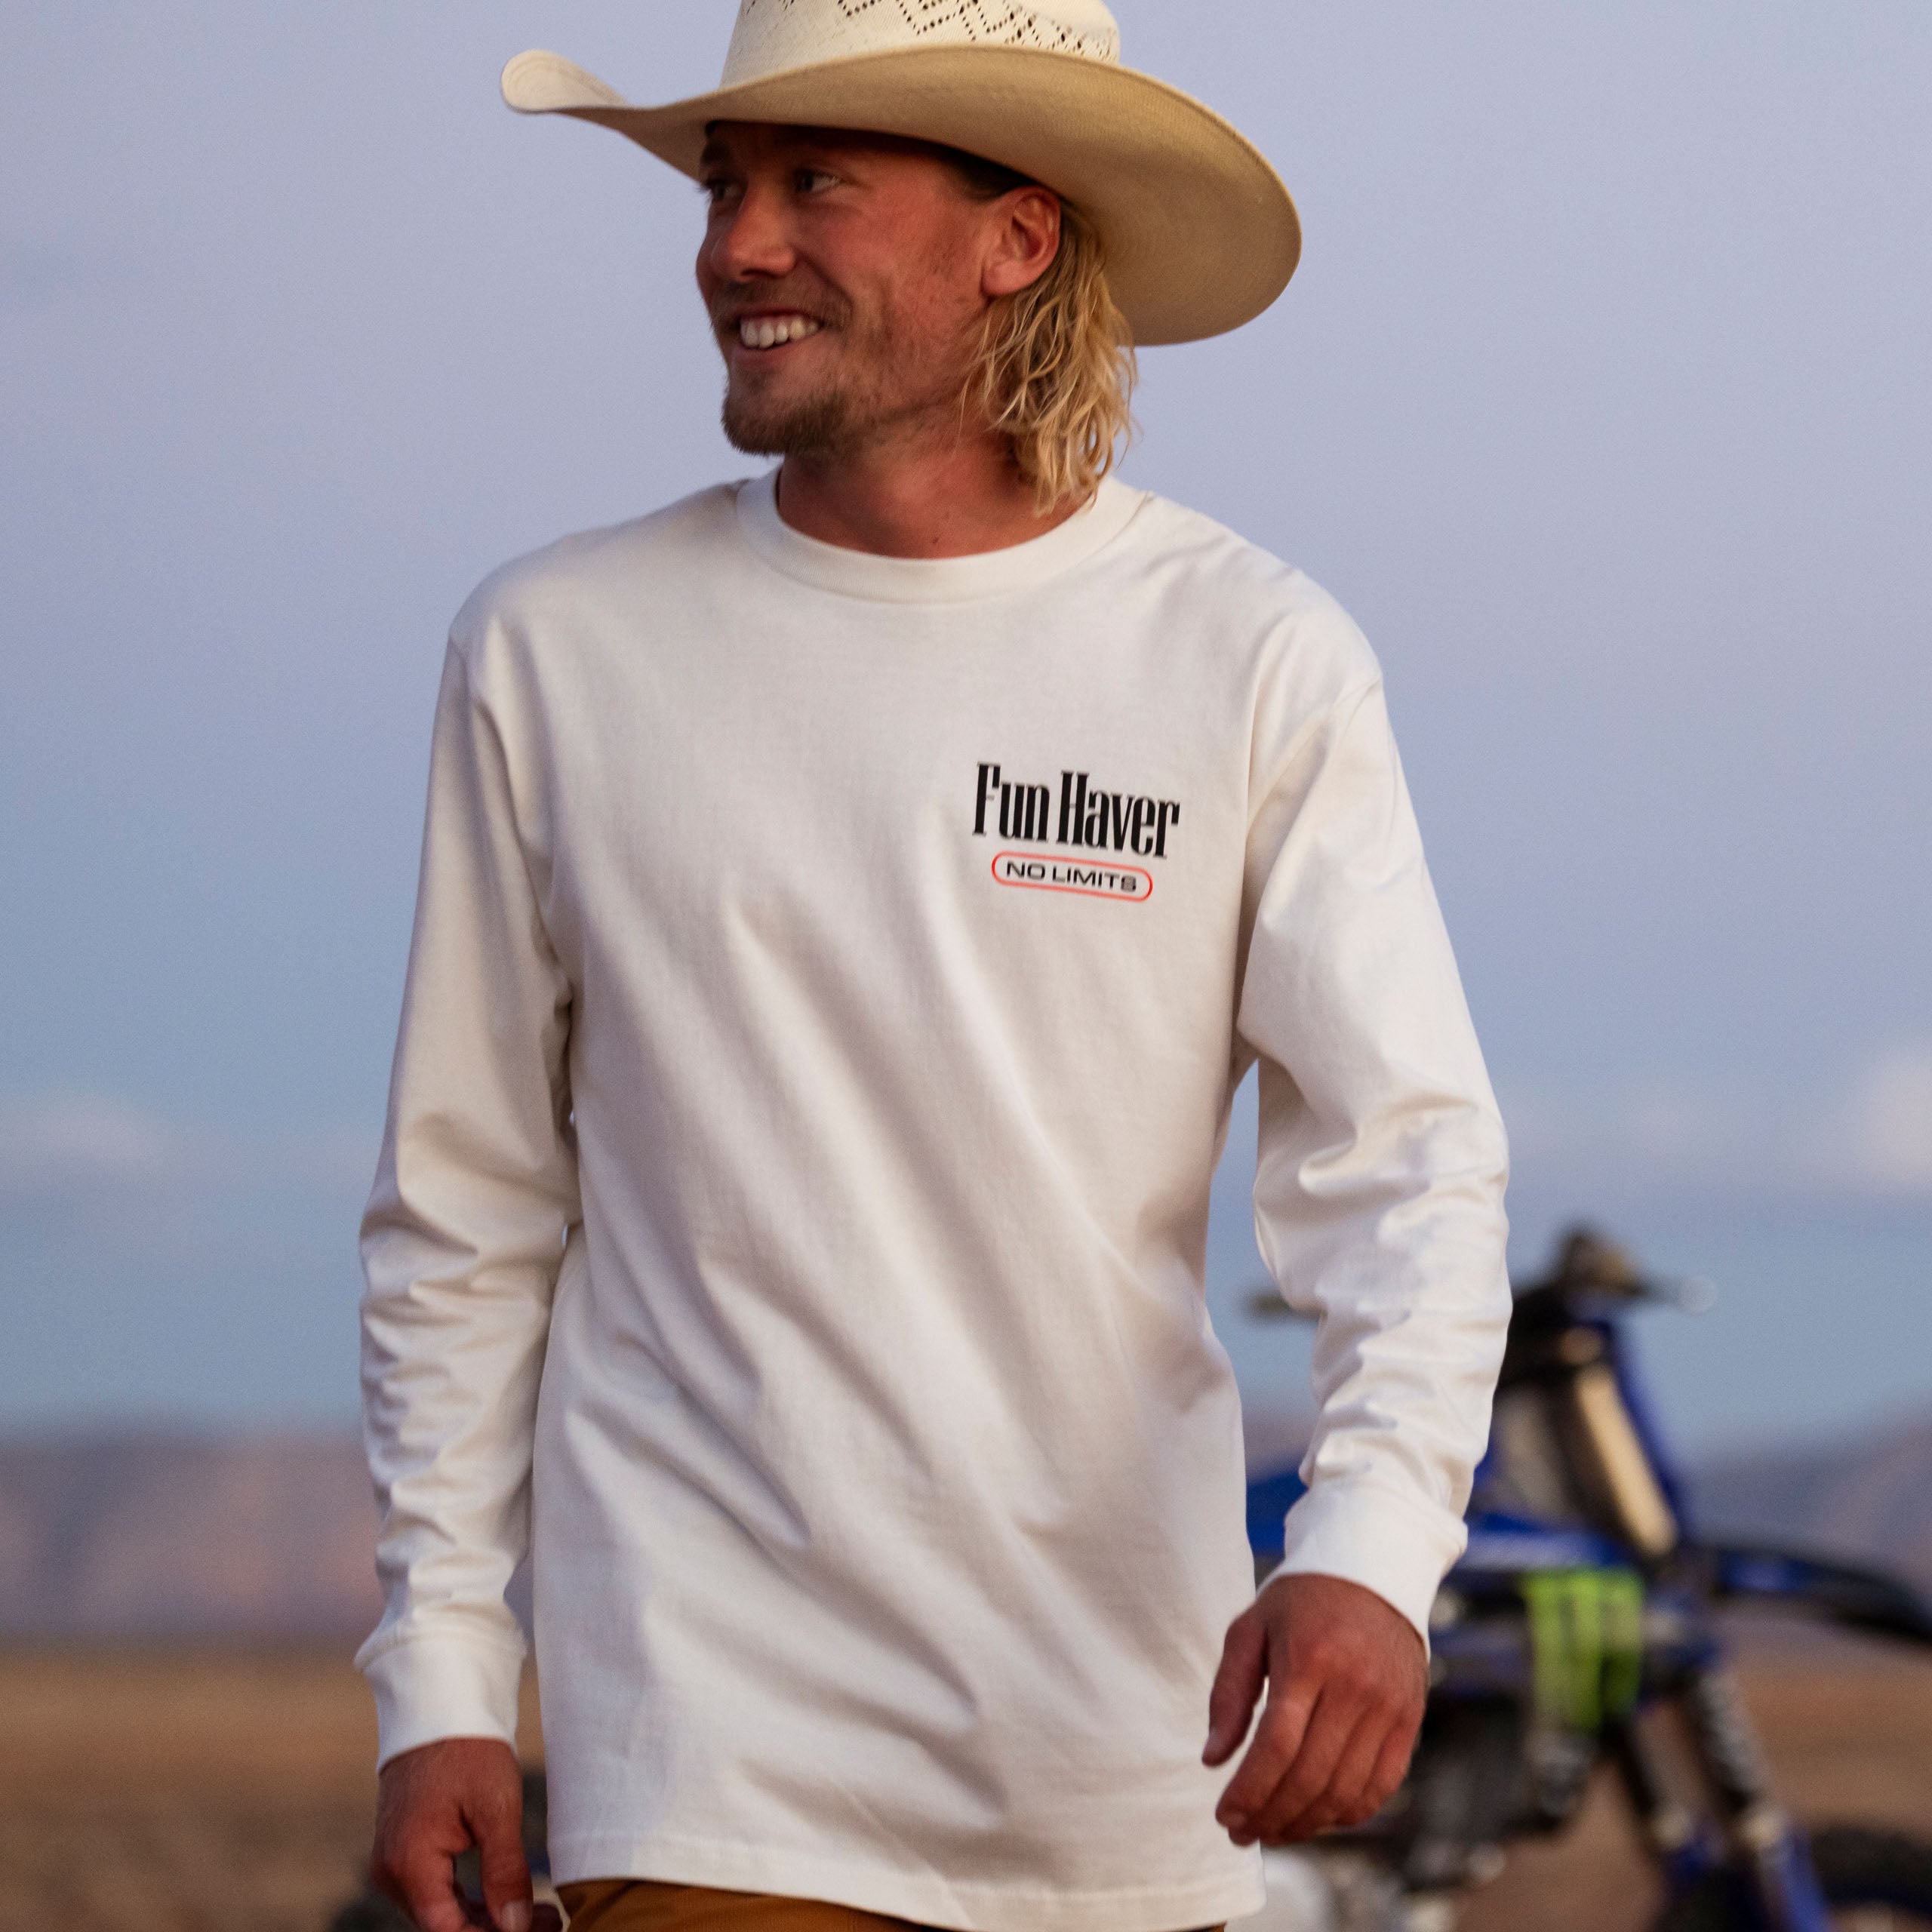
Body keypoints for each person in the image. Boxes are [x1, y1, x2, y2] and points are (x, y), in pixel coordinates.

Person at [356, 5, 1513, 1930]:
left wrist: (1373, 1550)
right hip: (711, 1776)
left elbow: (1405, 1166)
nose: (735, 245)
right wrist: (444, 1677)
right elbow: (464, 1213)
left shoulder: (1249, 656)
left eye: (815, 181)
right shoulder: (555, 649)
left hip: (1129, 1775)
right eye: (723, 184)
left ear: (1017, 235)